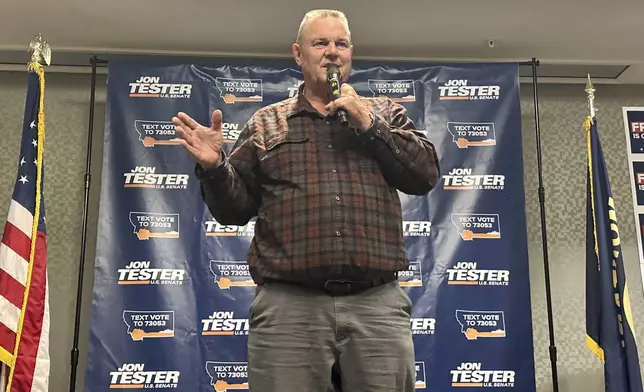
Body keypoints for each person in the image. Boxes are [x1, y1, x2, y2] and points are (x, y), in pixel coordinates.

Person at [172, 9, 440, 392]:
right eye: (321, 43)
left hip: (375, 305)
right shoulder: (265, 124)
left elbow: (424, 175)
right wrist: (215, 166)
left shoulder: (384, 113)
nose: (332, 52)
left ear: (350, 54)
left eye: (341, 43)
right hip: (288, 309)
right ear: (299, 54)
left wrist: (369, 124)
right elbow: (234, 210)